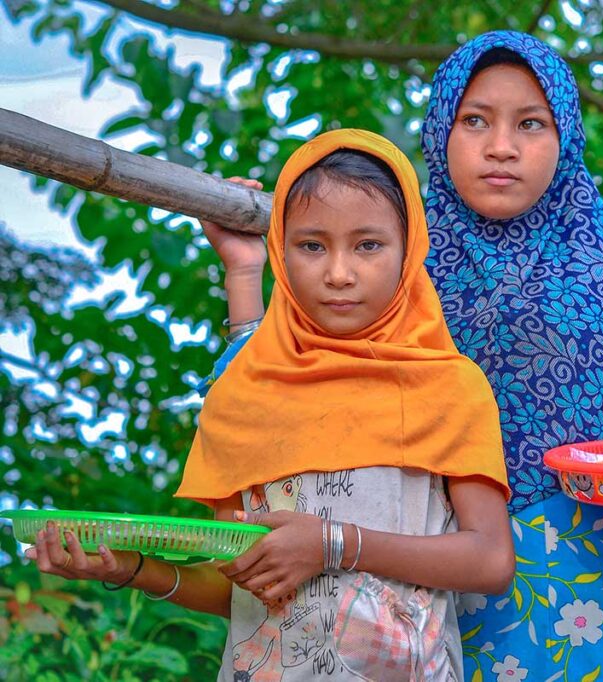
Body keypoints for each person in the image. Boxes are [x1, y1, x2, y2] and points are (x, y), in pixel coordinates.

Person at [205, 32, 603, 681]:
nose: (502, 146)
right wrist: (244, 276)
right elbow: (283, 390)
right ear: (440, 130)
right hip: (413, 620)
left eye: (530, 123)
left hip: (590, 625)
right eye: (475, 120)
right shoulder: (394, 271)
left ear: (566, 139)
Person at [26, 129, 514, 681]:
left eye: (368, 245)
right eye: (311, 246)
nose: (338, 273)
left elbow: (489, 560)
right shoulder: (245, 394)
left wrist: (333, 544)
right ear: (281, 251)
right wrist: (132, 568)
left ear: (410, 251)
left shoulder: (449, 387)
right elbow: (235, 587)